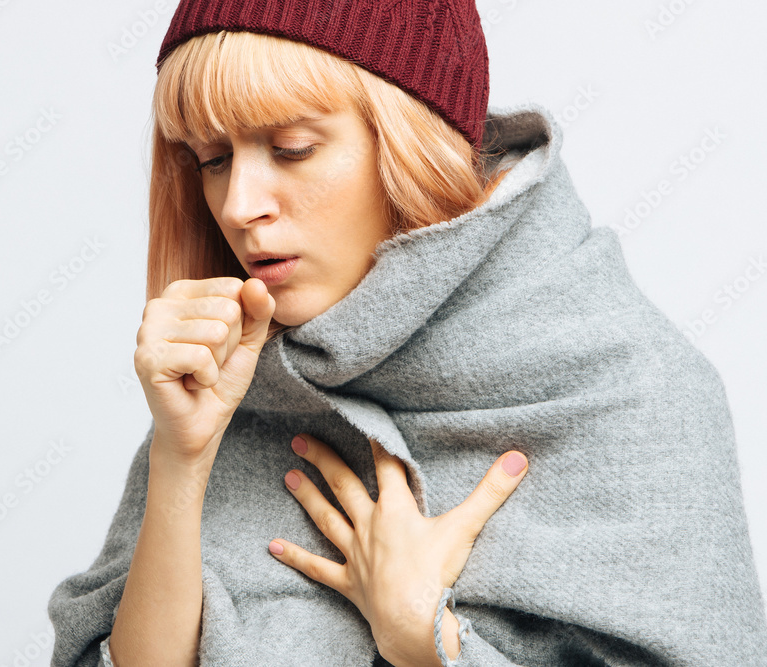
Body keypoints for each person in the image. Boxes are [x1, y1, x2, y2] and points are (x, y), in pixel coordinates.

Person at [49, 2, 767, 665]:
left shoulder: (638, 392)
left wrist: (428, 637)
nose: (239, 205)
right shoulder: (231, 379)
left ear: (408, 143)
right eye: (212, 159)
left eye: (293, 147)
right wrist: (182, 460)